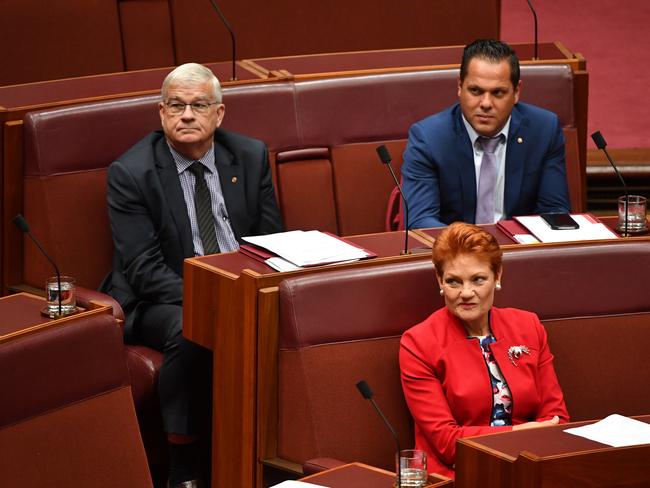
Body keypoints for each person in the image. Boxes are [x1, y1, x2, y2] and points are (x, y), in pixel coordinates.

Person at [101, 63, 283, 487]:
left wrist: (247, 293)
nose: (187, 115)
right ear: (161, 113)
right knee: (193, 327)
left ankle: (267, 451)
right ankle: (184, 465)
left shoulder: (250, 156)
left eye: (198, 105)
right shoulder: (131, 173)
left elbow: (272, 242)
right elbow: (145, 272)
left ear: (218, 114)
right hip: (157, 300)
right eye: (176, 106)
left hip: (238, 288)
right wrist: (218, 299)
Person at [399, 222, 568, 478]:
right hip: (459, 475)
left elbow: (556, 418)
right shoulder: (418, 343)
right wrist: (517, 435)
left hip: (531, 468)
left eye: (478, 279)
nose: (466, 293)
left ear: (497, 276)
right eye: (453, 282)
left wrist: (528, 446)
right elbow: (447, 442)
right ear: (439, 281)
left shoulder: (528, 326)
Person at [401, 39, 570, 229]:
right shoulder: (429, 139)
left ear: (516, 92)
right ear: (459, 87)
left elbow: (554, 212)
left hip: (517, 251)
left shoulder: (544, 130)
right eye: (475, 91)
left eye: (498, 93)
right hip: (457, 253)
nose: (486, 103)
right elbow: (420, 223)